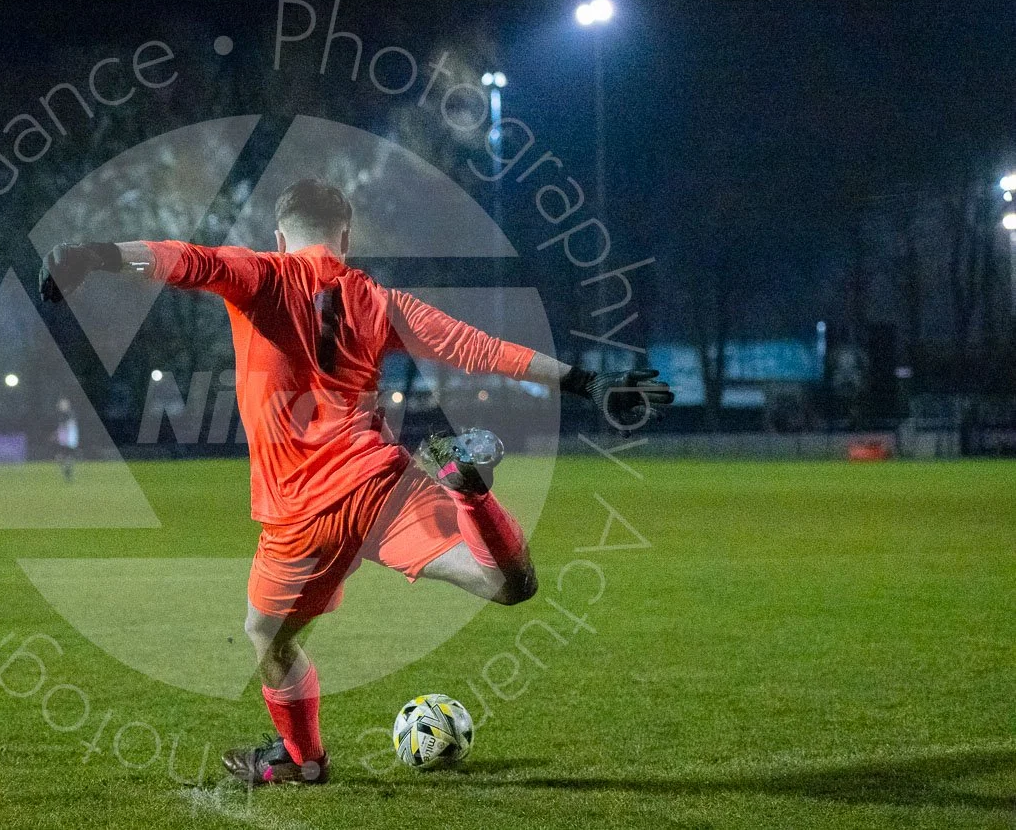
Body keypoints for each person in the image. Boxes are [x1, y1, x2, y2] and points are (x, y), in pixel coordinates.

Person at [39, 178, 672, 785]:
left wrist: (90, 257)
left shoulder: (260, 273)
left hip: (301, 513)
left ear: (280, 237)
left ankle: (305, 760)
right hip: (382, 486)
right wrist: (591, 383)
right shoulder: (378, 299)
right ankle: (471, 491)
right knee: (510, 585)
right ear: (346, 234)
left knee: (266, 635)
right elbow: (475, 346)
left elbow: (180, 260)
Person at [54, 398, 79, 483]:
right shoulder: (61, 415)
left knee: (66, 456)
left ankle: (68, 473)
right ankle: (67, 472)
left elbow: (70, 425)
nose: (62, 406)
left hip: (68, 438)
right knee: (60, 457)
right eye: (61, 404)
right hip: (64, 438)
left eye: (64, 404)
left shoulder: (69, 414)